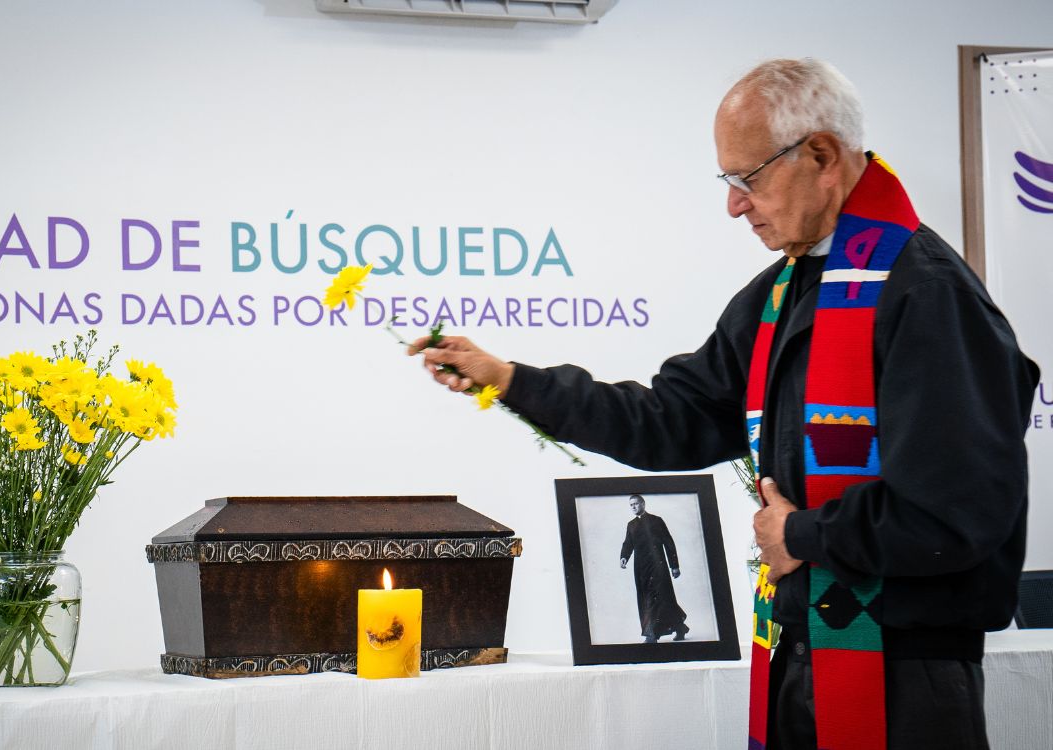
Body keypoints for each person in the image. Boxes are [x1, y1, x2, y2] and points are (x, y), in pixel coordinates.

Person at [409, 58, 1039, 750]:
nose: (735, 205)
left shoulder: (928, 295)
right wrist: (511, 380)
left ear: (822, 155)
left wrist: (802, 537)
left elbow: (957, 512)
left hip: (905, 679)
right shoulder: (779, 294)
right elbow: (670, 421)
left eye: (749, 178)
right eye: (728, 183)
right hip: (801, 651)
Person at [620, 494, 689, 643]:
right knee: (649, 598)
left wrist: (674, 566)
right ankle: (680, 627)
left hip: (658, 566)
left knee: (660, 597)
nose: (633, 507)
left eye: (636, 504)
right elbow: (628, 543)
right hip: (640, 569)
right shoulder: (631, 525)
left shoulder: (656, 521)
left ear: (643, 504)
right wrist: (624, 556)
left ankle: (651, 635)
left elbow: (669, 543)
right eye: (631, 505)